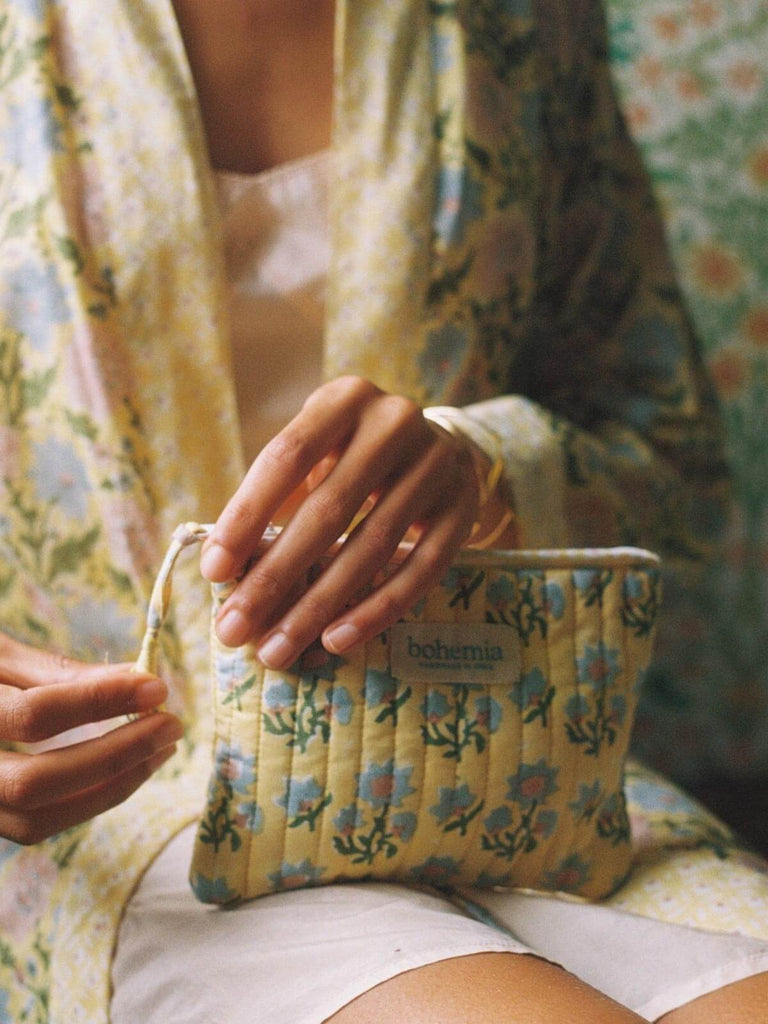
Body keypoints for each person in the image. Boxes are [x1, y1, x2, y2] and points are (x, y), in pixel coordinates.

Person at [1, 0, 767, 1021]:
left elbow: (671, 456)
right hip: (115, 818)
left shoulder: (524, 24)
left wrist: (489, 467)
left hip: (510, 776)